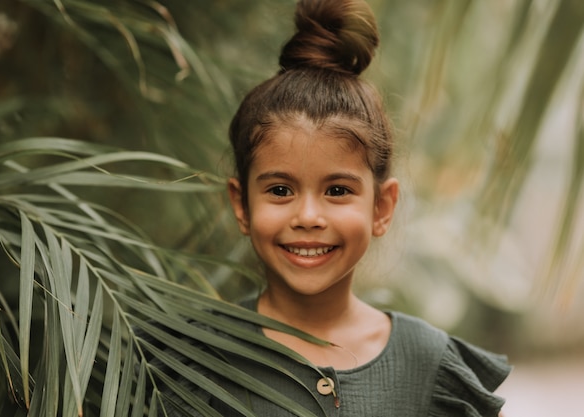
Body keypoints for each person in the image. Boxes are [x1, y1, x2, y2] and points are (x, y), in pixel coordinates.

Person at [160, 0, 511, 415]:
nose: (308, 217)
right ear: (241, 204)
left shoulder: (429, 366)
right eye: (280, 190)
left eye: (338, 191)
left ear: (381, 206)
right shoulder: (191, 361)